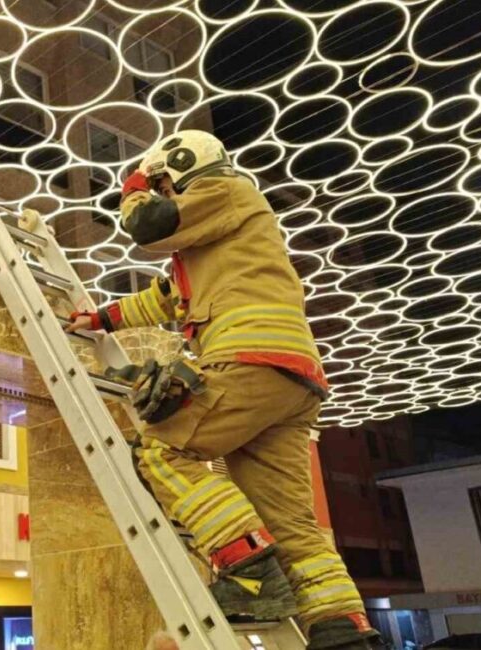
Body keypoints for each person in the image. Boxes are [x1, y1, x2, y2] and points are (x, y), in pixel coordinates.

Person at [67, 130, 382, 650]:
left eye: (167, 181)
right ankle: (343, 629)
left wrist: (136, 184)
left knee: (162, 448)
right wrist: (101, 317)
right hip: (291, 379)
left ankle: (248, 577)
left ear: (184, 168)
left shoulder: (224, 189)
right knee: (291, 522)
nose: (166, 192)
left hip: (251, 357)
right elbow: (170, 297)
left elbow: (148, 226)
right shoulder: (219, 235)